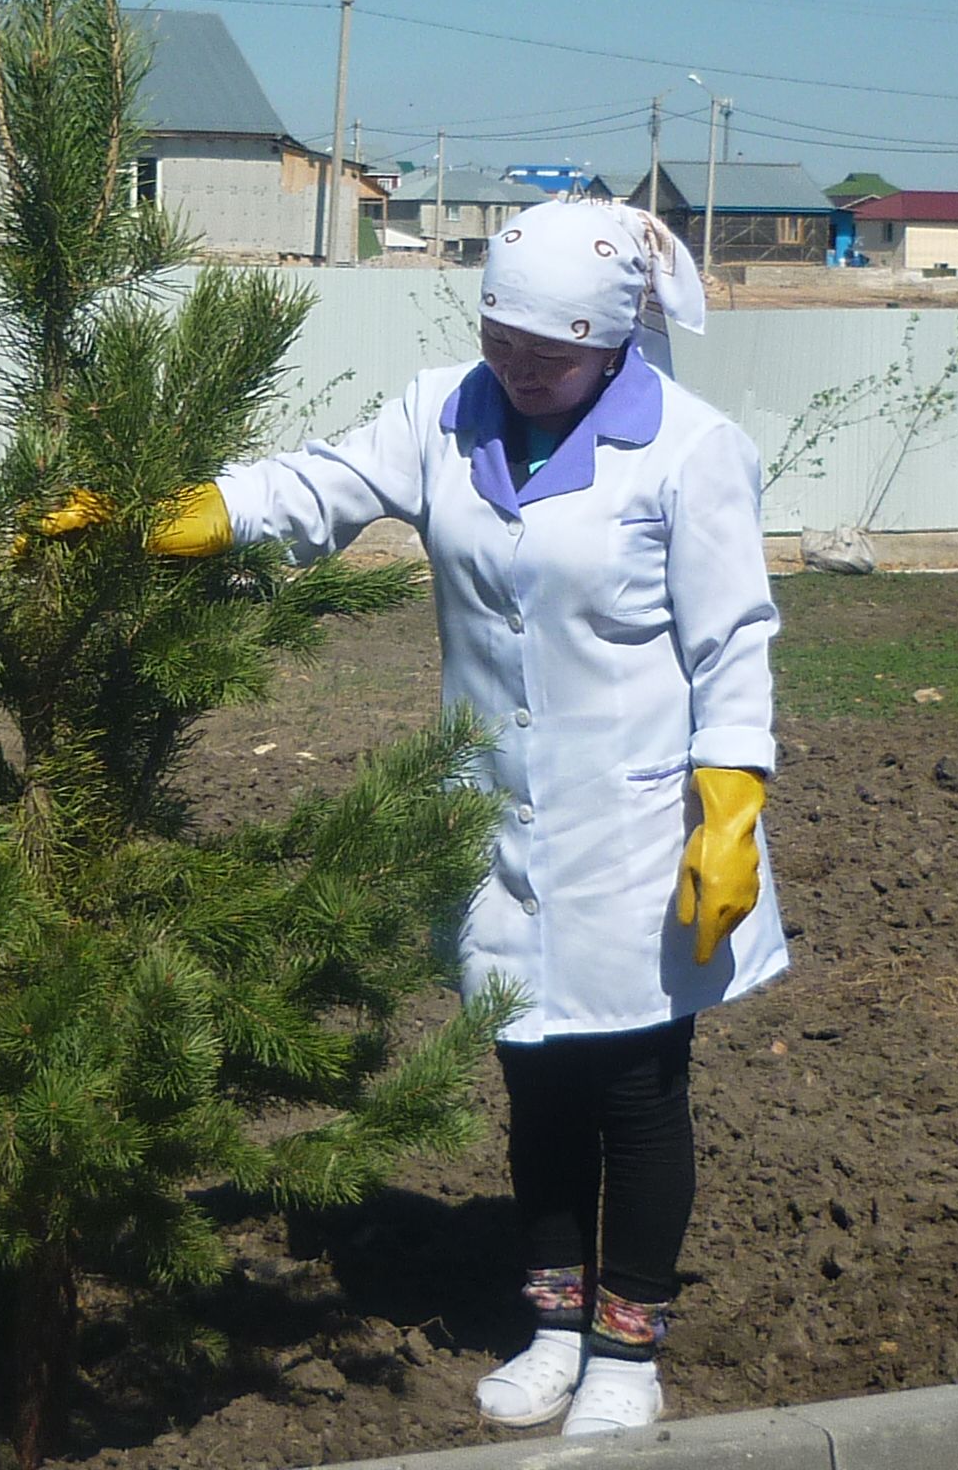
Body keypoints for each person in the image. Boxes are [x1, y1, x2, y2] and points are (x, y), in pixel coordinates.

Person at [47, 195, 785, 1436]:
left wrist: (731, 800)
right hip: (491, 820)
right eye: (502, 338)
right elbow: (318, 484)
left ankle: (629, 1345)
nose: (518, 368)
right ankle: (552, 1324)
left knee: (637, 1089)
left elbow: (734, 639)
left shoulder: (691, 450)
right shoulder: (442, 412)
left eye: (546, 354)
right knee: (533, 1076)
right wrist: (189, 512)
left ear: (615, 341)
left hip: (640, 827)